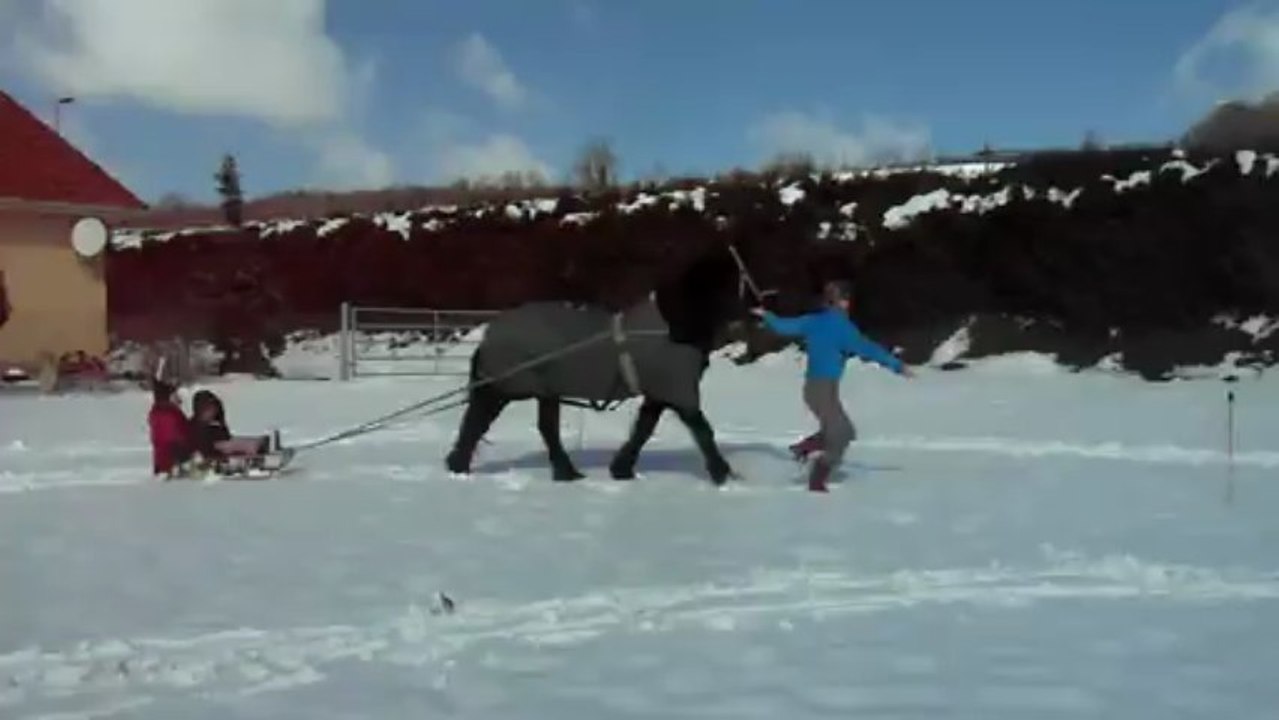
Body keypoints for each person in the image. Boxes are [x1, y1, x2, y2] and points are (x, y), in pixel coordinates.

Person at [751, 279, 913, 492]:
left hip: (814, 390)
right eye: (846, 299)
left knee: (843, 431)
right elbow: (869, 349)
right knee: (842, 434)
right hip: (823, 391)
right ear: (842, 302)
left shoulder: (814, 321)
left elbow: (784, 326)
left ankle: (805, 447)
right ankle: (816, 480)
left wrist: (767, 315)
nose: (848, 303)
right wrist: (897, 365)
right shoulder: (843, 328)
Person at [189, 389, 275, 467]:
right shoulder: (196, 428)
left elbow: (227, 439)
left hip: (226, 455)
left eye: (214, 408)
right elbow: (205, 451)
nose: (213, 412)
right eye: (208, 408)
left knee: (248, 444)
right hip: (215, 460)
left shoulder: (215, 425)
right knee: (247, 446)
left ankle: (261, 446)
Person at [148, 379, 193, 478]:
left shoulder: (168, 412)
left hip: (167, 459)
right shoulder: (166, 414)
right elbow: (175, 436)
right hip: (173, 460)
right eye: (175, 396)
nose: (179, 400)